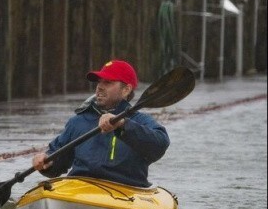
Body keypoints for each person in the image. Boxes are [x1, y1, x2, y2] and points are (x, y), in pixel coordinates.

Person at [32, 59, 170, 188]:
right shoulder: (78, 121)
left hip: (125, 190)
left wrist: (123, 124)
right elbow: (58, 162)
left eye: (108, 82)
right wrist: (47, 162)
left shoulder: (140, 121)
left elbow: (160, 144)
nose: (99, 87)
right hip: (80, 188)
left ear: (126, 90)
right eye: (99, 82)